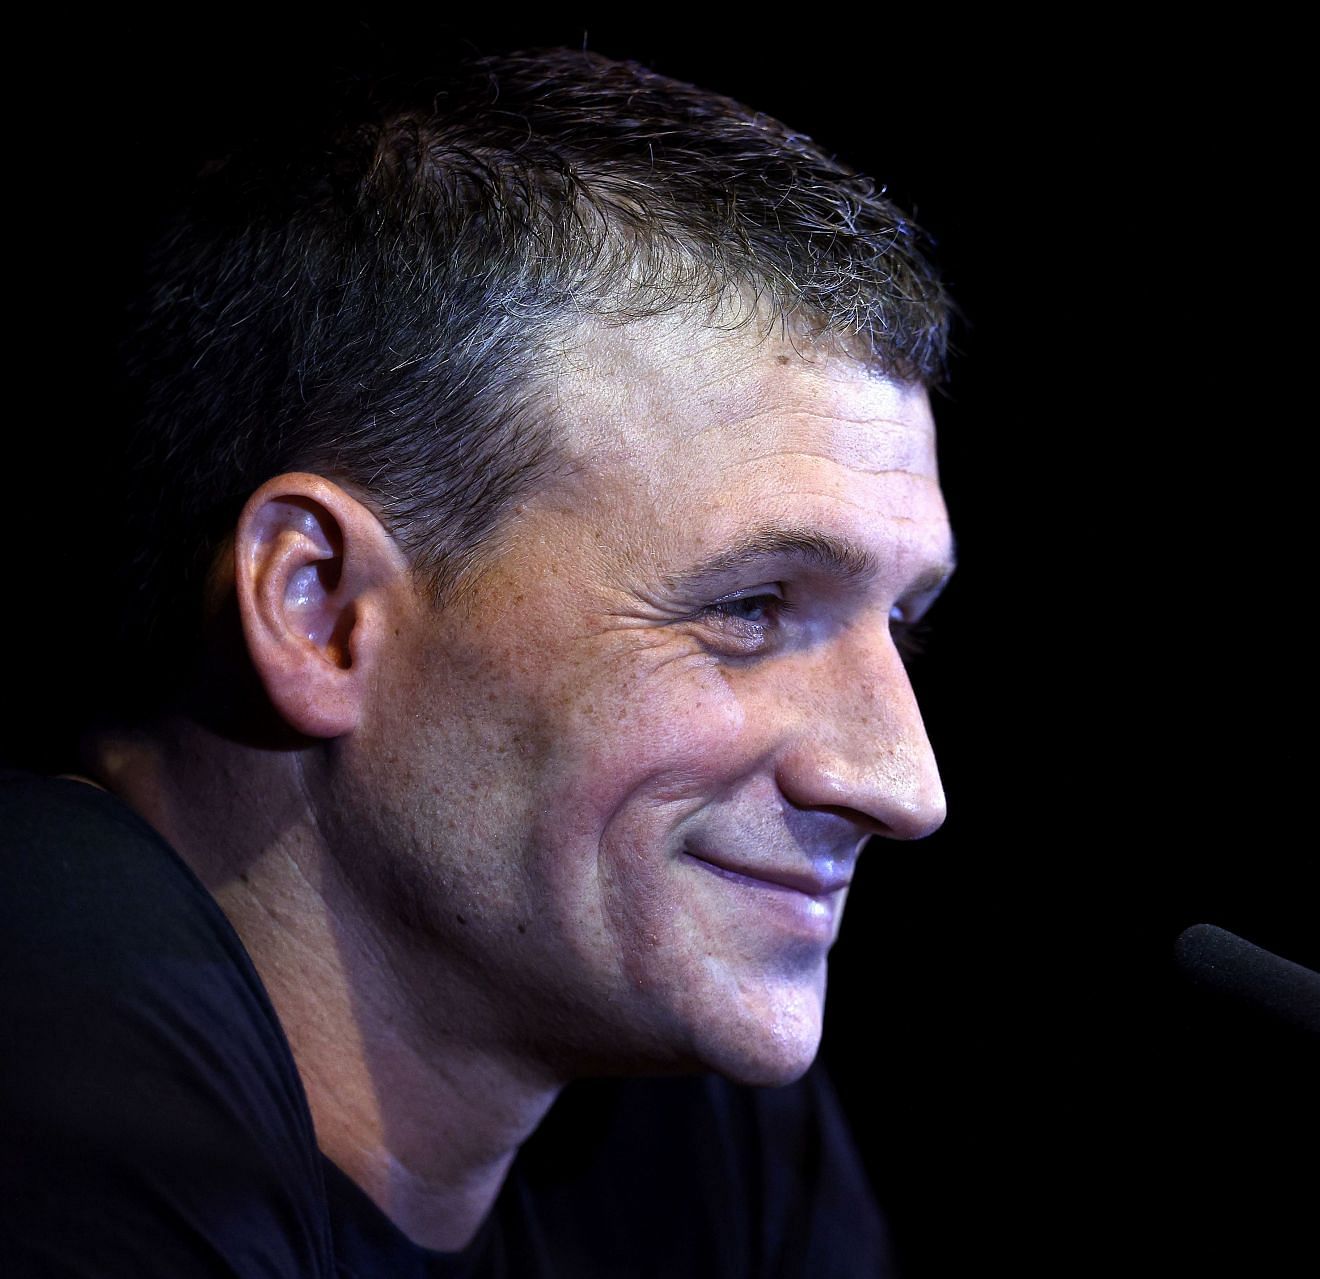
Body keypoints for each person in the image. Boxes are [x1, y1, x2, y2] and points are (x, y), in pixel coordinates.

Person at [0, 44, 953, 1277]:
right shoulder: (41, 1008)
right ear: (321, 608)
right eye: (754, 607)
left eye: (907, 624)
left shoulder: (673, 1085)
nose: (903, 784)